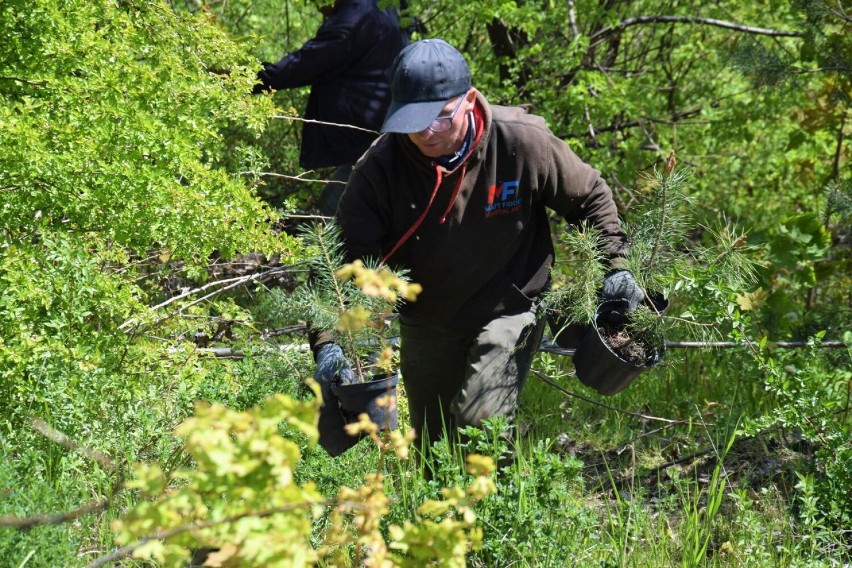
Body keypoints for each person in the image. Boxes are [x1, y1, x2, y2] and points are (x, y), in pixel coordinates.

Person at [311, 38, 644, 458]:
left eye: (441, 118)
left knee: (478, 424)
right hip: (428, 317)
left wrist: (616, 266)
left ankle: (502, 514)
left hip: (511, 304)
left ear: (468, 100)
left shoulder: (521, 142)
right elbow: (337, 264)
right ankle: (445, 523)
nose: (426, 133)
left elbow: (589, 196)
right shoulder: (380, 169)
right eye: (413, 121)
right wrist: (329, 345)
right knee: (433, 449)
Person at [253, 0, 410, 215]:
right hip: (383, 128)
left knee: (336, 209)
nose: (315, 5)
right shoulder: (384, 6)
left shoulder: (355, 16)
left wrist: (245, 79)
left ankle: (321, 247)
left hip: (365, 134)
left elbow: (306, 64)